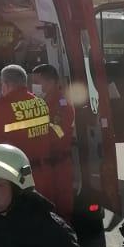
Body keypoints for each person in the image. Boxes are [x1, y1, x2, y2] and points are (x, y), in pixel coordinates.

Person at [0, 64, 61, 206]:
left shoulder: (5, 106)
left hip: (20, 177)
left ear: (6, 84)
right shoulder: (40, 103)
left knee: (22, 213)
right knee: (45, 210)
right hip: (45, 171)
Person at [30, 63, 77, 218]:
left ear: (50, 82)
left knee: (61, 207)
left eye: (37, 82)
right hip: (44, 165)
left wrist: (32, 136)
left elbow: (58, 131)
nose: (34, 86)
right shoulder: (42, 102)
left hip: (58, 164)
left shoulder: (62, 104)